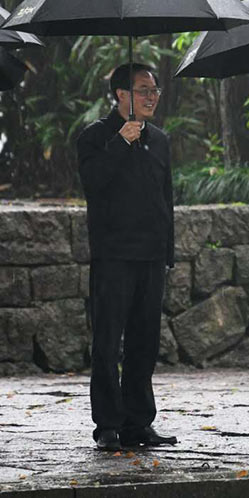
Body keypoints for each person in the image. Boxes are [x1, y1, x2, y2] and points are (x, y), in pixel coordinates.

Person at [77, 63, 177, 452]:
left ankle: (139, 421)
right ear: (121, 94)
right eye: (142, 90)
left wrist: (168, 250)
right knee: (106, 342)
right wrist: (120, 141)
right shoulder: (95, 136)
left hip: (151, 257)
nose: (151, 97)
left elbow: (165, 199)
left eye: (155, 90)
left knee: (144, 342)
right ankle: (107, 424)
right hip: (113, 256)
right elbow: (92, 184)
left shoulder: (160, 140)